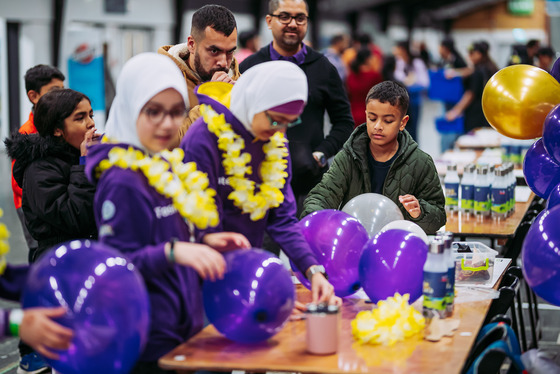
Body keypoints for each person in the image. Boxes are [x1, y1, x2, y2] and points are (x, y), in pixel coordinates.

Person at [85, 53, 250, 374]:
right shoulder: (122, 180)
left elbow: (165, 232)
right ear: (132, 107)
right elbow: (118, 265)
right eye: (154, 112)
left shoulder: (166, 164)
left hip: (179, 326)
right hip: (145, 337)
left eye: (176, 113)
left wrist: (203, 239)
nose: (167, 124)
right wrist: (175, 251)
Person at [181, 60, 338, 305]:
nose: (281, 132)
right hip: (203, 279)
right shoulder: (203, 139)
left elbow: (282, 218)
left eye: (289, 123)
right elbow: (190, 223)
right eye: (275, 120)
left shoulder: (275, 143)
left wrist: (313, 270)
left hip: (246, 274)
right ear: (255, 102)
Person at [5, 88, 98, 374]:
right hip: (59, 269)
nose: (91, 124)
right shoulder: (39, 169)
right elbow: (74, 215)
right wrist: (84, 166)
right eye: (80, 118)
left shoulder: (74, 155)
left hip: (84, 263)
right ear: (58, 130)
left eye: (91, 115)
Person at [240, 0, 354, 209]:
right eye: (284, 16)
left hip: (309, 185)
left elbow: (344, 122)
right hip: (258, 181)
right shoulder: (250, 67)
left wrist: (320, 154)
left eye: (300, 18)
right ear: (269, 20)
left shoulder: (323, 68)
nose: (292, 23)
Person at [301, 81, 446, 235]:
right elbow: (322, 195)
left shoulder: (420, 162)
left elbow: (439, 216)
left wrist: (420, 212)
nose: (378, 126)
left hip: (397, 245)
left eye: (388, 121)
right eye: (372, 118)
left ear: (403, 123)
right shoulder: (348, 157)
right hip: (355, 243)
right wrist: (314, 218)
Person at [158, 4, 241, 148]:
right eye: (214, 51)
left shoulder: (239, 81)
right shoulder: (163, 78)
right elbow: (165, 144)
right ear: (191, 44)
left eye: (230, 52)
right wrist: (210, 103)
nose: (223, 62)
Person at [10, 64, 65, 261]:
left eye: (62, 91)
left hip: (50, 202)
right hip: (30, 206)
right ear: (33, 96)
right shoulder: (27, 134)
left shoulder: (57, 125)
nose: (60, 97)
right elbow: (19, 184)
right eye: (53, 92)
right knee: (38, 250)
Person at [445, 41, 498, 134]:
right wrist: (456, 73)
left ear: (479, 54)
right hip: (489, 112)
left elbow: (470, 94)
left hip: (476, 114)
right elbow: (470, 71)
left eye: (471, 54)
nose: (468, 56)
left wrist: (455, 111)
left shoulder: (478, 72)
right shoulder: (491, 67)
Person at [392, 40, 429, 143]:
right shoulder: (399, 62)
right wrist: (405, 81)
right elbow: (397, 76)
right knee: (401, 129)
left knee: (413, 130)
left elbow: (425, 82)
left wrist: (412, 83)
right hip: (401, 101)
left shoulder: (417, 62)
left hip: (414, 100)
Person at [346, 47, 382, 127]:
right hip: (371, 115)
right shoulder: (374, 76)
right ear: (367, 59)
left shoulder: (351, 76)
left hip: (353, 113)